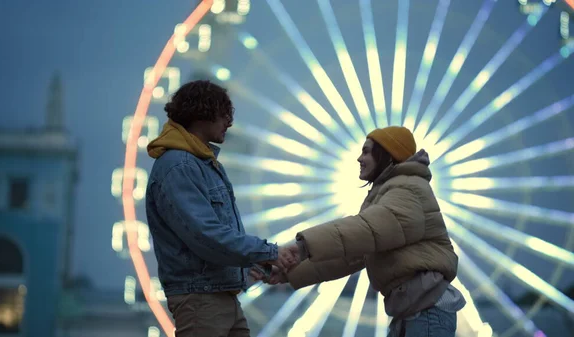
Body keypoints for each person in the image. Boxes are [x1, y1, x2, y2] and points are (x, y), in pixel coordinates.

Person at [253, 126, 466, 337]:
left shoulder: (408, 189)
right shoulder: (388, 194)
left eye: (366, 151)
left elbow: (363, 230)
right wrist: (289, 273)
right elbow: (352, 254)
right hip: (413, 312)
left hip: (426, 311)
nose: (359, 158)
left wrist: (303, 247)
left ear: (387, 154)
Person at [145, 79, 294, 337]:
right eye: (225, 114)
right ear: (203, 114)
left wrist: (251, 268)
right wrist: (266, 252)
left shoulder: (203, 164)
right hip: (200, 299)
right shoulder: (178, 167)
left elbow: (211, 237)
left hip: (221, 294)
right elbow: (205, 234)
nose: (230, 122)